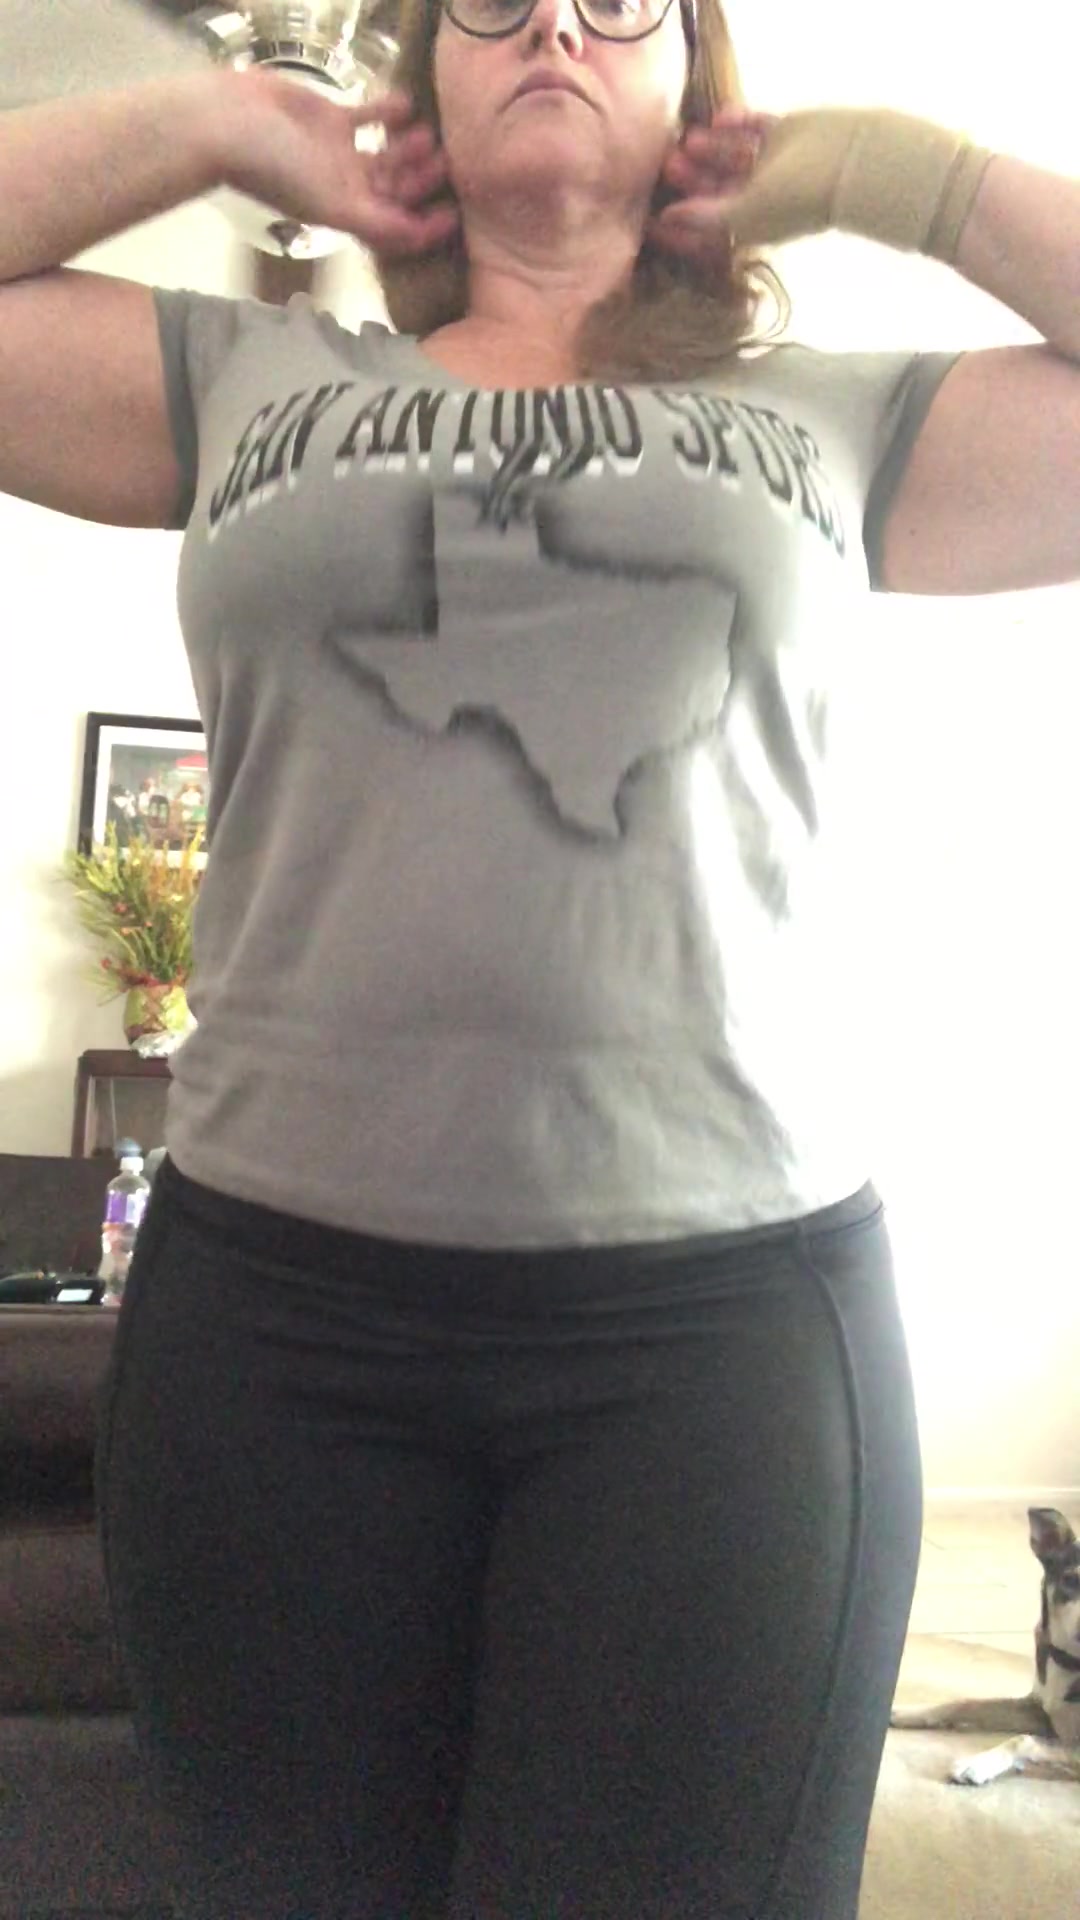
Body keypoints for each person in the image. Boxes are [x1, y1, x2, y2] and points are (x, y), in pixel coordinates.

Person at [1, 0, 1076, 1914]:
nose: (558, 21)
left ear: (691, 82)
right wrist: (225, 125)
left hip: (719, 1346)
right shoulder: (240, 372)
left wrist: (895, 174)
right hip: (272, 1331)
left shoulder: (838, 416)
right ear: (420, 77)